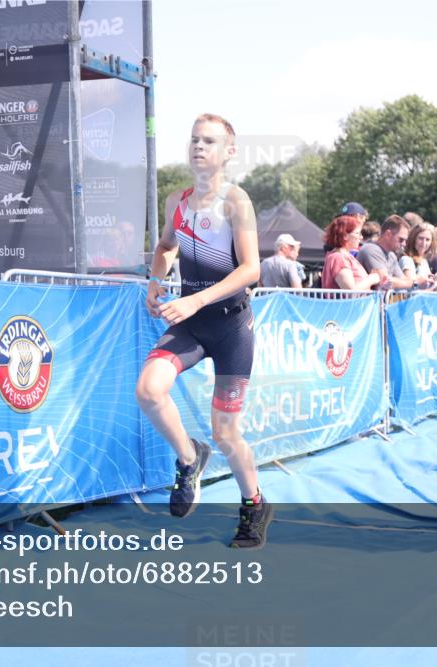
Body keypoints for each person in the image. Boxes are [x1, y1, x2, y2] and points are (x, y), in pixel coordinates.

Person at [136, 113, 270, 549]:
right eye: (194, 139)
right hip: (191, 323)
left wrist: (195, 298)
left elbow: (251, 269)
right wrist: (156, 283)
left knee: (226, 432)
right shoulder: (177, 199)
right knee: (149, 390)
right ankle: (189, 458)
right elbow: (165, 247)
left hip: (231, 326)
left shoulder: (236, 201)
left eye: (209, 141)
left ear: (228, 152)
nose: (199, 147)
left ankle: (254, 504)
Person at [358, 215, 429, 290]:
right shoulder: (371, 249)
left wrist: (421, 281)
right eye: (401, 240)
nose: (404, 244)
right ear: (388, 234)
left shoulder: (391, 255)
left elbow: (404, 280)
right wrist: (415, 283)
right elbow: (385, 281)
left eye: (405, 240)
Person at [321, 215, 383, 290]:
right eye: (357, 233)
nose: (361, 237)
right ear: (345, 235)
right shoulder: (338, 258)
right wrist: (371, 279)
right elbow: (351, 290)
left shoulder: (345, 256)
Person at [399, 222, 437, 290]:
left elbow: (432, 291)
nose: (424, 243)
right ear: (413, 239)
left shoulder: (424, 261)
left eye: (427, 239)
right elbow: (412, 287)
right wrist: (436, 282)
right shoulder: (406, 259)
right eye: (420, 238)